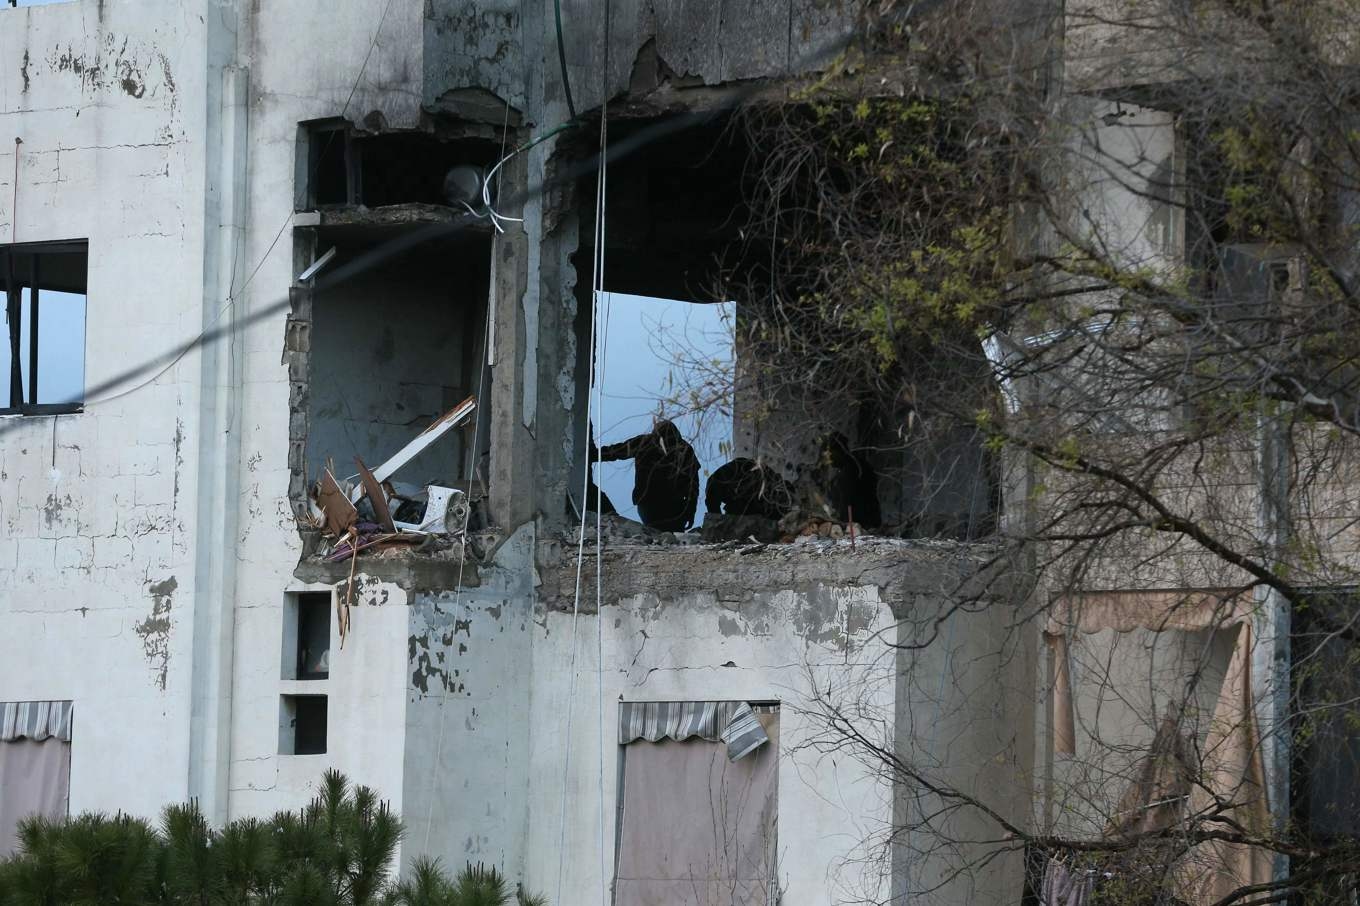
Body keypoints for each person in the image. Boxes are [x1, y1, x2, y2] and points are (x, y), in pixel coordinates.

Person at [596, 419, 700, 531]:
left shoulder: (682, 449)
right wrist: (592, 454)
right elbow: (617, 451)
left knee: (663, 535)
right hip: (654, 504)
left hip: (667, 506)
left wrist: (690, 511)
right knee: (664, 535)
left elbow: (693, 484)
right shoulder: (649, 442)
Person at [705, 457, 795, 519]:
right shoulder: (716, 483)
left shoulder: (766, 478)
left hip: (749, 489)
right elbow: (714, 512)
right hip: (741, 491)